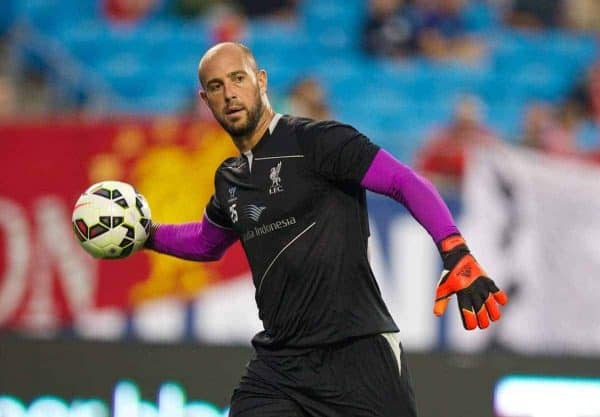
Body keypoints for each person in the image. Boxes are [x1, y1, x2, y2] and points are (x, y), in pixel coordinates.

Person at [144, 42, 508, 417]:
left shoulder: (317, 141)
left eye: (238, 78)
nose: (230, 93)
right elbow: (207, 242)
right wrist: (146, 234)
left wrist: (455, 251)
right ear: (206, 99)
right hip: (280, 367)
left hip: (358, 355)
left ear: (261, 81)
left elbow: (405, 182)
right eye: (217, 86)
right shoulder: (230, 180)